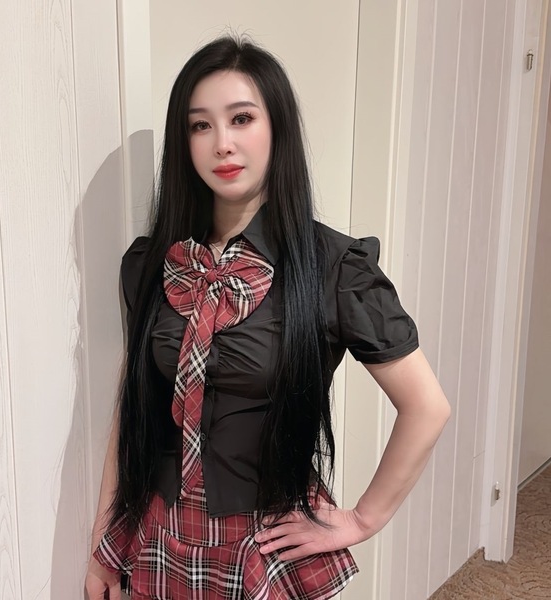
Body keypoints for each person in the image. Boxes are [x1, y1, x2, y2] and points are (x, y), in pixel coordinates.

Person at [85, 35, 450, 600]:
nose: (222, 143)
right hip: (159, 534)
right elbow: (130, 412)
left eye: (242, 118)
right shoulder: (152, 265)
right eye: (200, 125)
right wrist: (103, 542)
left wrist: (361, 519)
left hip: (263, 547)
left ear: (276, 127)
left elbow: (427, 407)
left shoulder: (332, 267)